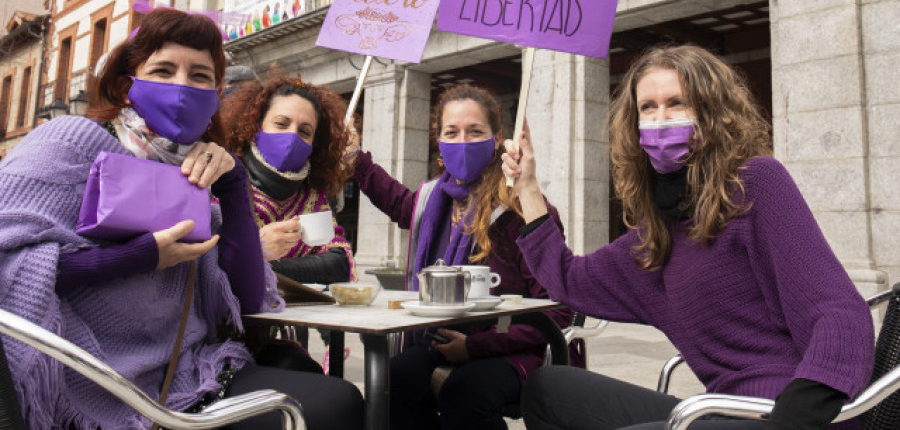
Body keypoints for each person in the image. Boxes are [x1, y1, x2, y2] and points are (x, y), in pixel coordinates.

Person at [0, 7, 363, 430]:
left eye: (199, 76)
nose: (181, 87)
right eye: (163, 70)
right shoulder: (67, 141)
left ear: (216, 93)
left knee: (342, 400)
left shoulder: (196, 174)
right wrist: (139, 257)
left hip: (189, 375)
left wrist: (232, 183)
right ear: (126, 81)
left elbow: (246, 298)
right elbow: (10, 264)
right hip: (88, 381)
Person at [501, 44, 875, 430]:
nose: (660, 118)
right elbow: (570, 280)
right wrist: (528, 187)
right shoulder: (656, 235)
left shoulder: (755, 184)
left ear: (712, 113)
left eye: (677, 103)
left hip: (784, 414)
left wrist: (799, 410)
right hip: (718, 410)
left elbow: (839, 312)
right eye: (648, 107)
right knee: (547, 387)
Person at [347, 83, 581, 430]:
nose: (463, 142)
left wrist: (475, 346)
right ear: (438, 140)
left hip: (515, 347)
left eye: (475, 132)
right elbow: (396, 200)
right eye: (451, 132)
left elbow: (559, 310)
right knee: (393, 378)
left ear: (498, 138)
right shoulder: (433, 201)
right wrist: (354, 158)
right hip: (439, 340)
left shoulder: (523, 208)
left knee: (464, 393)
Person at [220, 75, 356, 285]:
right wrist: (256, 248)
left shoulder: (313, 197)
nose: (292, 137)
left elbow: (339, 262)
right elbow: (204, 262)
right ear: (255, 126)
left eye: (304, 131)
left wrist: (260, 265)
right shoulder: (221, 182)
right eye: (281, 123)